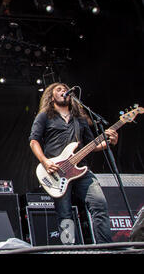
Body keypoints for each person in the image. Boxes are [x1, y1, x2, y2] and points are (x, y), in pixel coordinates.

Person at [29, 82, 118, 244]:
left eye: (65, 89)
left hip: (81, 171)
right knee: (65, 214)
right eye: (59, 89)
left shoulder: (80, 119)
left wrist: (109, 142)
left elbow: (93, 145)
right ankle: (69, 248)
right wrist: (46, 162)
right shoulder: (44, 116)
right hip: (56, 172)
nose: (64, 91)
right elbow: (34, 141)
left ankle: (106, 247)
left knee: (99, 204)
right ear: (51, 96)